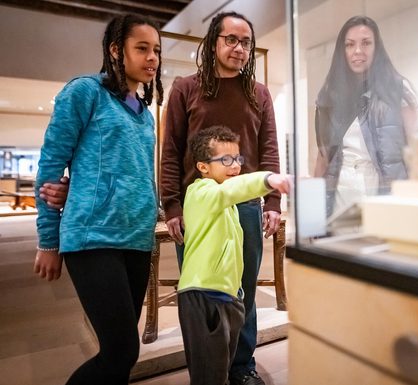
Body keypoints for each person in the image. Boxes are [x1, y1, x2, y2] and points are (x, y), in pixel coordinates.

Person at [33, 14, 163, 385]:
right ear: (115, 50)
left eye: (156, 50)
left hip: (137, 240)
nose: (152, 57)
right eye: (142, 48)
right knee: (122, 350)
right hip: (93, 237)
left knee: (120, 357)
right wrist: (48, 240)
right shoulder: (85, 92)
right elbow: (50, 167)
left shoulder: (144, 114)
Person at [161, 11, 280, 385]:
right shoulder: (185, 87)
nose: (239, 48)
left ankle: (242, 366)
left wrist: (273, 203)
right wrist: (172, 205)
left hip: (245, 205)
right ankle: (208, 368)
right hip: (198, 206)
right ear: (213, 43)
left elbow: (269, 149)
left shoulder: (258, 94)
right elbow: (171, 150)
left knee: (242, 291)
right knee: (205, 293)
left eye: (245, 42)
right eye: (231, 39)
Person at [178, 125, 290, 385]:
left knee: (221, 367)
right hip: (203, 296)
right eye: (225, 160)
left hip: (228, 298)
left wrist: (237, 296)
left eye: (238, 159)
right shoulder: (201, 192)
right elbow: (231, 190)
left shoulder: (227, 206)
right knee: (209, 375)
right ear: (203, 166)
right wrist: (268, 180)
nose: (235, 166)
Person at [314, 15, 418, 217]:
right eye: (350, 44)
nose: (358, 51)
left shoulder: (397, 89)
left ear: (376, 47)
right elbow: (322, 158)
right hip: (342, 193)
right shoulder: (329, 95)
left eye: (366, 43)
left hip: (385, 194)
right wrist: (314, 213)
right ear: (342, 50)